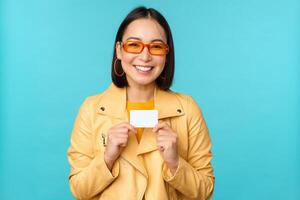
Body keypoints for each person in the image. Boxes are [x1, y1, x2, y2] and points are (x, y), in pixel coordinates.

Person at [67, 6, 214, 200]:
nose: (145, 56)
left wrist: (175, 163)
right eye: (134, 45)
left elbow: (205, 190)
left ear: (166, 54)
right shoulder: (92, 109)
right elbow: (79, 190)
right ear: (119, 50)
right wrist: (107, 158)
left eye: (156, 46)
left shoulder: (187, 109)